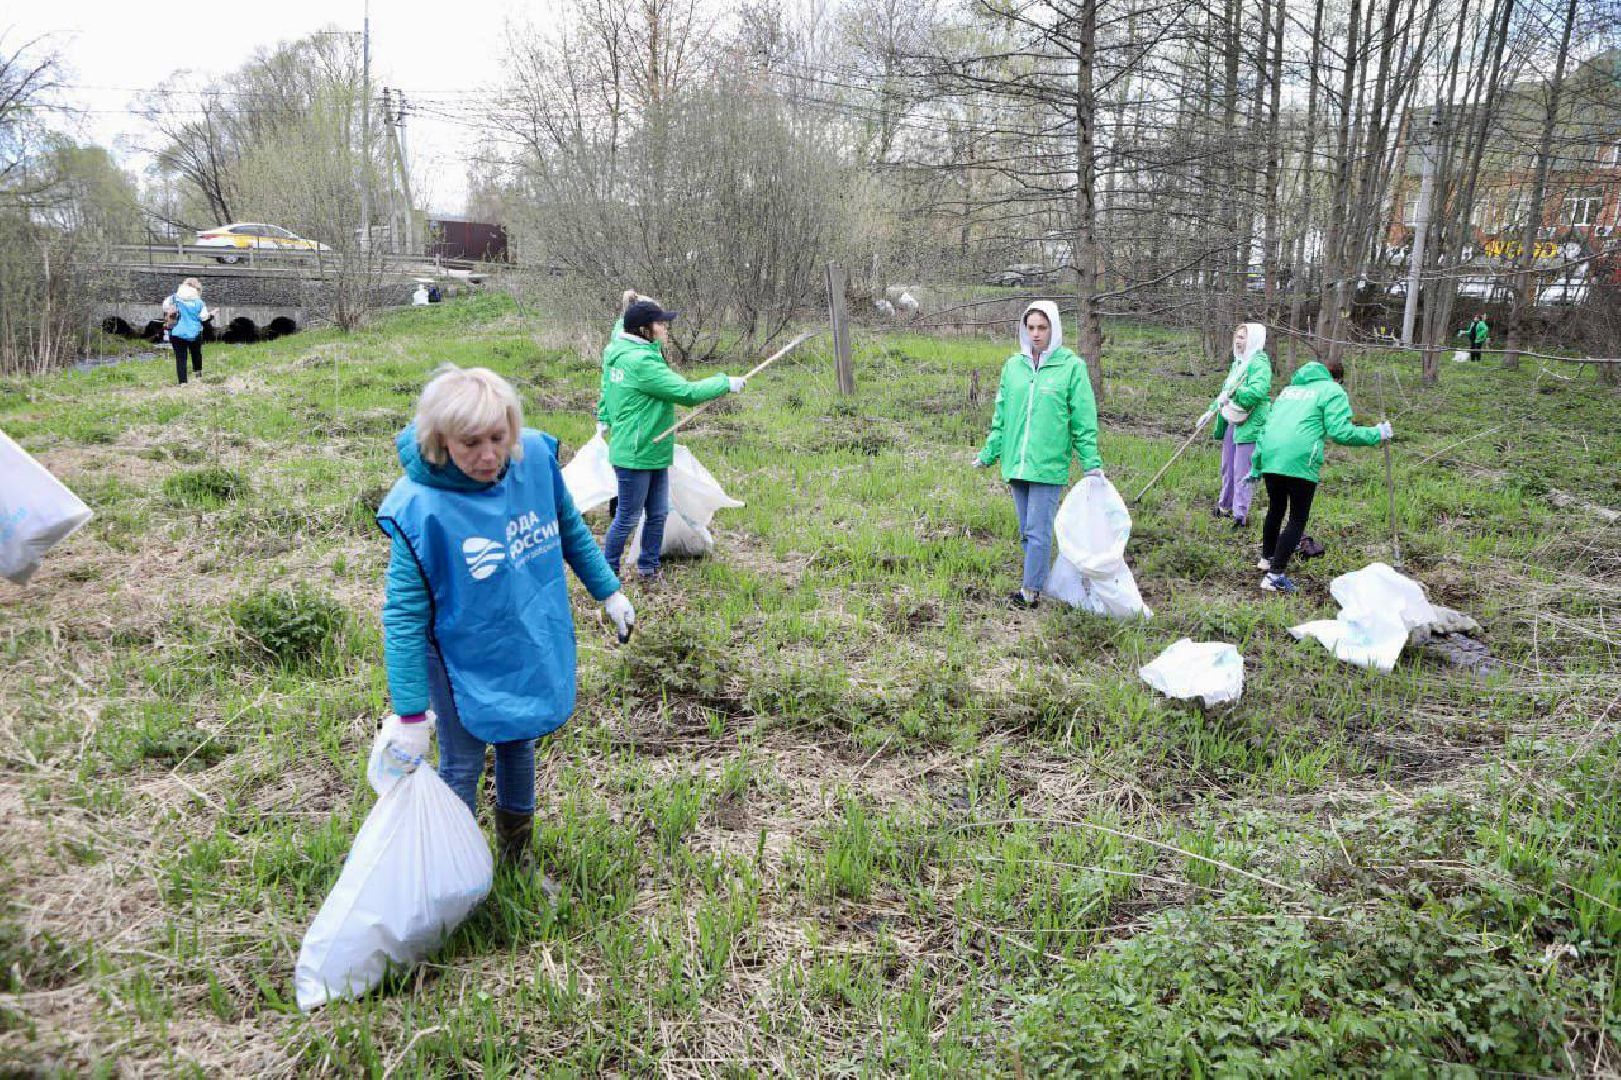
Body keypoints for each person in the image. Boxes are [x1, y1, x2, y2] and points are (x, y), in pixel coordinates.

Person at [375, 365, 636, 874]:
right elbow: (402, 617)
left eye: (498, 437)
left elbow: (569, 529)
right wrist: (409, 715)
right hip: (458, 655)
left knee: (520, 739)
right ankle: (455, 876)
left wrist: (610, 591)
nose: (489, 455)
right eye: (470, 442)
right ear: (440, 438)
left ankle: (518, 861)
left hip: (521, 635)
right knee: (463, 760)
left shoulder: (533, 460)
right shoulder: (422, 508)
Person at [599, 299, 744, 582]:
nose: (666, 328)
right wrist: (724, 382)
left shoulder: (626, 351)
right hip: (636, 452)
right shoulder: (640, 362)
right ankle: (606, 572)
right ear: (643, 330)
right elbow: (685, 392)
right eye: (660, 324)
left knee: (659, 512)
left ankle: (648, 569)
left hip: (652, 448)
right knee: (627, 517)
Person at [974, 301, 1103, 609]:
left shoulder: (1071, 367)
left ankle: (1030, 592)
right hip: (1016, 463)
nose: (1035, 334)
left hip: (1048, 464)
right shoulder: (1013, 367)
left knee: (1038, 530)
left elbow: (1083, 420)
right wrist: (989, 453)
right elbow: (1002, 417)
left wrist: (1091, 464)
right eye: (1030, 328)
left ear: (1054, 329)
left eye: (1042, 328)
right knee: (1025, 531)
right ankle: (1035, 580)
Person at [1248, 359, 1391, 594]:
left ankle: (1267, 559)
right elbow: (1341, 432)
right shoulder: (1333, 390)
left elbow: (1267, 427)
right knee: (1297, 518)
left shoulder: (1289, 391)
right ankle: (1275, 575)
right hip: (1300, 460)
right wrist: (1377, 433)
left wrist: (1257, 462)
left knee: (1275, 509)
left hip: (1272, 457)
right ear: (1336, 379)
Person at [1209, 322, 1273, 528]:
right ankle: (1225, 506)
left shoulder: (1259, 362)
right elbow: (1225, 392)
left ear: (1253, 340)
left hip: (1250, 423)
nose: (1238, 340)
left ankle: (1240, 515)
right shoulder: (1238, 363)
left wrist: (1236, 393)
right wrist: (1211, 409)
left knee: (1242, 470)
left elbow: (1257, 391)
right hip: (1231, 419)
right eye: (1237, 336)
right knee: (1227, 466)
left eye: (1243, 337)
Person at [162, 278, 212, 385]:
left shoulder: (173, 298)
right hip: (195, 332)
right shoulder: (199, 302)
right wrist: (211, 315)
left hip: (176, 332)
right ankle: (198, 374)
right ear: (197, 289)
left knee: (181, 358)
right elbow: (204, 317)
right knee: (196, 353)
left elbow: (165, 307)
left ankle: (183, 383)